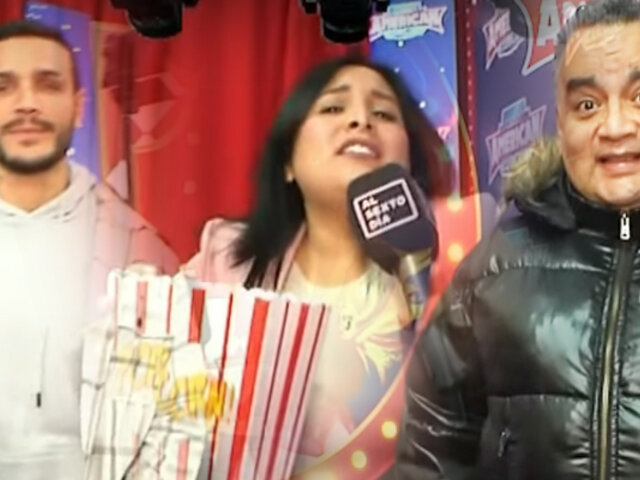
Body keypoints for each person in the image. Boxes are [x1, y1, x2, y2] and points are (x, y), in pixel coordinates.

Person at [395, 0, 640, 479]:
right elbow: (431, 454)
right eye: (587, 105)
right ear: (561, 122)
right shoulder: (492, 269)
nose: (615, 127)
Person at [183, 55, 450, 475]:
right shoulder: (222, 262)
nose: (360, 121)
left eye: (383, 113)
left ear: (409, 162)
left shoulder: (451, 269)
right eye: (333, 107)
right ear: (288, 162)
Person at [0, 20, 201, 479]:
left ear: (78, 107)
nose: (26, 103)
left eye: (48, 84)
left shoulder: (141, 251)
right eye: (3, 87)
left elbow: (184, 408)